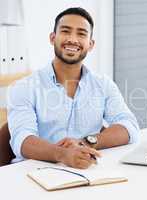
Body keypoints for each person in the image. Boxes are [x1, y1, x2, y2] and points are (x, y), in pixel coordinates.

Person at [7, 7, 140, 169]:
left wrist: (86, 142)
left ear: (90, 45)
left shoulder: (103, 85)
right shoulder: (23, 87)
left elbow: (129, 126)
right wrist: (63, 154)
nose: (73, 39)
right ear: (52, 38)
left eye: (81, 34)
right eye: (66, 31)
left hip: (86, 170)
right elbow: (22, 140)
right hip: (34, 172)